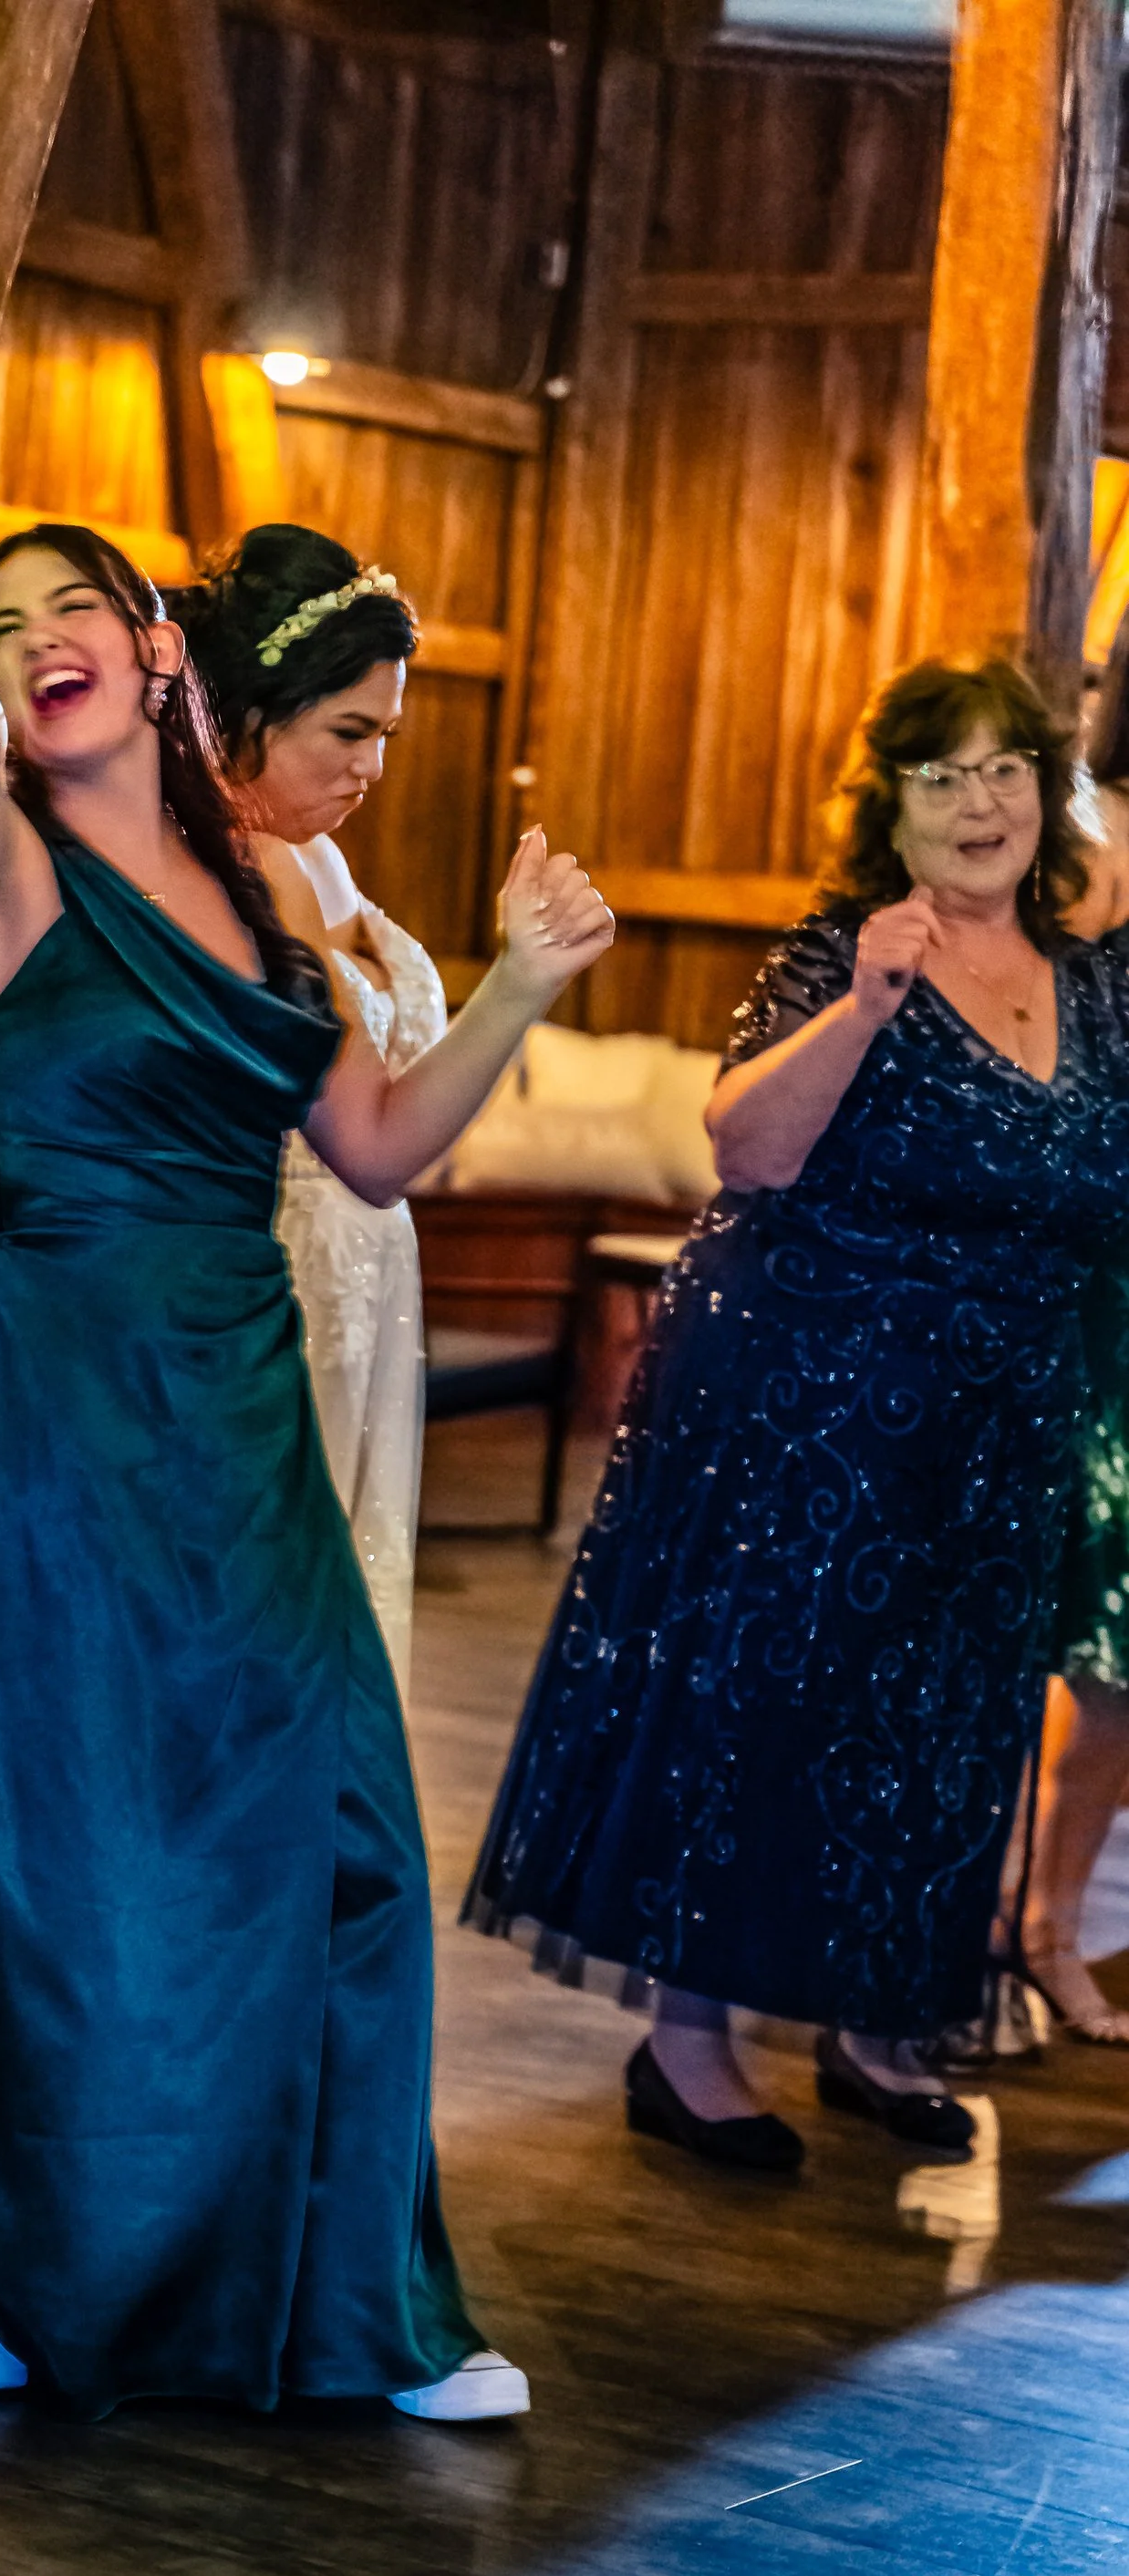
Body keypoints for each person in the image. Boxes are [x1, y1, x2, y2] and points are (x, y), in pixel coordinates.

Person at [0, 471, 612, 2416]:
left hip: (235, 1395)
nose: (29, 641)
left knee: (328, 1822)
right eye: (2, 627)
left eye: (63, 607)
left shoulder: (251, 909)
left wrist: (520, 976)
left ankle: (347, 2295)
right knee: (52, 1843)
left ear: (156, 653)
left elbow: (383, 1148)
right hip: (57, 1396)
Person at [466, 655, 1129, 2169]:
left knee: (941, 1726)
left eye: (1005, 769)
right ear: (889, 809)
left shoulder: (1099, 987)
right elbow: (744, 1151)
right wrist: (874, 1005)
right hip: (805, 1398)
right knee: (762, 1707)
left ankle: (881, 2026)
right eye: (941, 775)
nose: (980, 802)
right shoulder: (842, 955)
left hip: (1000, 1418)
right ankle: (688, 2046)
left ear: (1048, 792)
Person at [172, 523, 438, 1689]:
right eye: (347, 732)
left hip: (351, 1287)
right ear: (247, 713)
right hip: (278, 1283)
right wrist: (521, 982)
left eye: (383, 736)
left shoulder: (313, 859)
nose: (370, 767)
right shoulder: (238, 863)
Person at [1012, 638, 1129, 2043]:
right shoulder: (1095, 838)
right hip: (1094, 1285)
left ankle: (1038, 1909)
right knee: (1100, 1651)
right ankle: (1033, 1914)